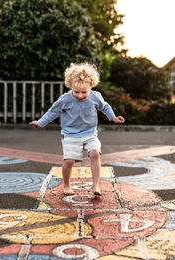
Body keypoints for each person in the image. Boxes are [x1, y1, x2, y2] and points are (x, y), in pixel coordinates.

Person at [30, 62, 125, 196]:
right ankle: (67, 185)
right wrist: (40, 123)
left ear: (91, 86)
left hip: (90, 133)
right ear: (70, 86)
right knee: (69, 161)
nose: (80, 96)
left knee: (95, 154)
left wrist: (113, 118)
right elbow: (52, 112)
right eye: (76, 92)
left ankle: (96, 185)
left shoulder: (95, 96)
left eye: (84, 92)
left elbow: (105, 107)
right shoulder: (65, 99)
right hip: (71, 134)